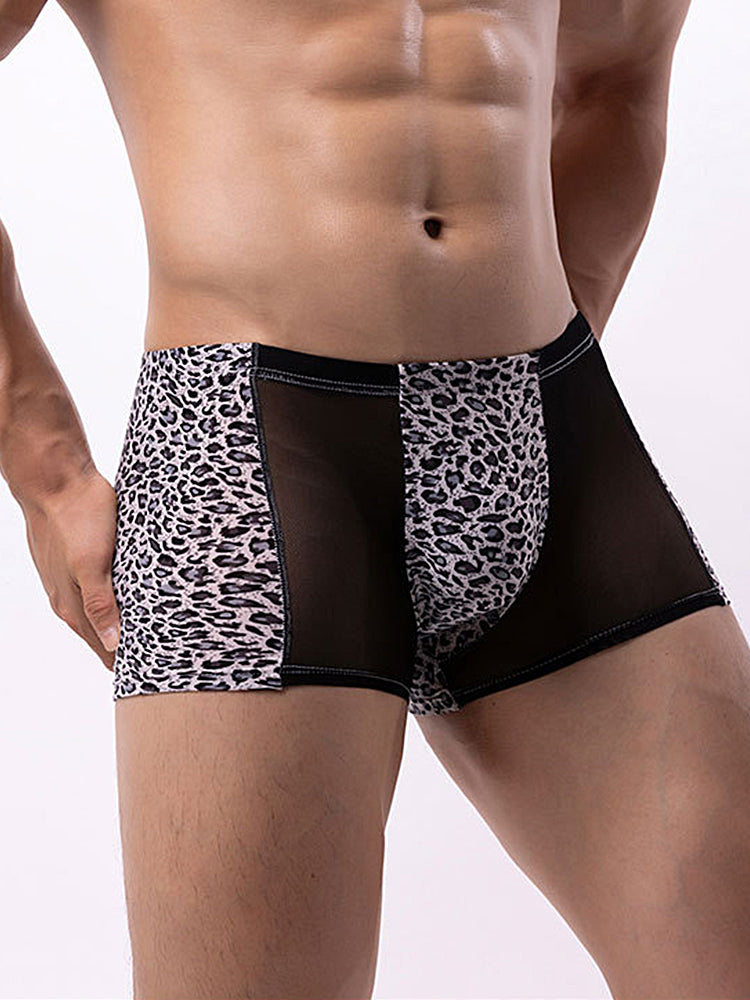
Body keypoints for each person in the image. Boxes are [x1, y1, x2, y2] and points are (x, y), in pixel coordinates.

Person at [1, 0, 749, 997]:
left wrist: (517, 387)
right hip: (249, 456)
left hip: (542, 426)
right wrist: (47, 470)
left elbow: (621, 66)